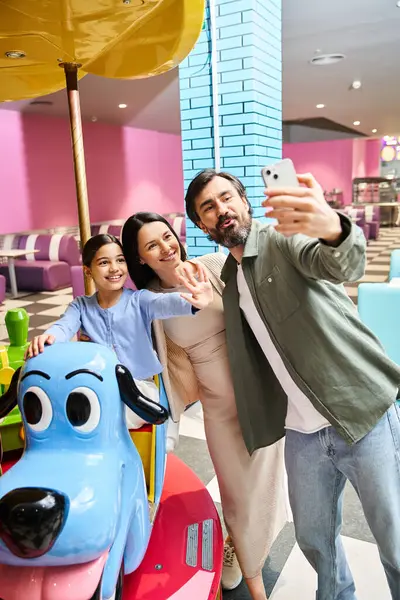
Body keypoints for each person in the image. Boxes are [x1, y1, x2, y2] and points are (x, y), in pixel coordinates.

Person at [183, 168, 400, 600]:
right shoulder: (230, 276)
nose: (221, 209)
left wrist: (333, 228)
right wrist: (214, 307)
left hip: (359, 413)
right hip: (301, 433)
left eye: (227, 198)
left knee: (394, 540)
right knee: (316, 543)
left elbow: (342, 263)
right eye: (208, 207)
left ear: (244, 202)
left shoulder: (283, 240)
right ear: (203, 225)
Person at [121, 213, 288, 600]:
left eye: (167, 236)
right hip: (217, 410)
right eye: (151, 245)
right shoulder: (148, 303)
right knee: (235, 493)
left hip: (258, 397)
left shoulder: (212, 266)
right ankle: (255, 585)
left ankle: (241, 547)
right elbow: (129, 344)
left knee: (263, 487)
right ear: (141, 258)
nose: (166, 247)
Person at [26, 234, 213, 385]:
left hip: (141, 385)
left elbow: (166, 302)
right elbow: (64, 326)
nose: (115, 269)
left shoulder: (140, 300)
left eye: (120, 260)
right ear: (88, 271)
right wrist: (48, 338)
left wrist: (195, 301)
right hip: (100, 383)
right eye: (104, 263)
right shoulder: (80, 306)